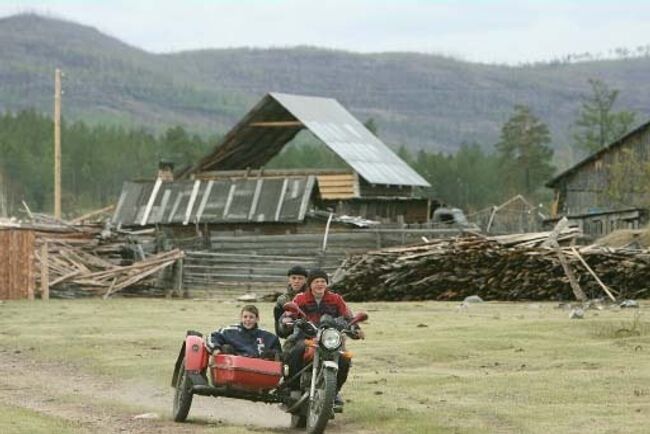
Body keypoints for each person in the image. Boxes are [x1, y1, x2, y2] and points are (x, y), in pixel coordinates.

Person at [279, 269, 363, 407]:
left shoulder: (336, 299)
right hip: (307, 337)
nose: (320, 284)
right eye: (316, 281)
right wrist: (286, 320)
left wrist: (355, 329)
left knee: (344, 359)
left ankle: (334, 391)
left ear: (327, 284)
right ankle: (292, 387)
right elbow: (289, 313)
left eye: (323, 281)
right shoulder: (301, 298)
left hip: (330, 339)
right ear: (310, 284)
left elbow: (348, 316)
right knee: (296, 350)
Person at [207, 305, 281, 359]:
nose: (248, 320)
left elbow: (277, 349)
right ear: (241, 318)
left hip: (257, 367)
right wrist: (215, 348)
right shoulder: (230, 331)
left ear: (257, 319)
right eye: (245, 317)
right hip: (235, 366)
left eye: (251, 317)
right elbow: (212, 336)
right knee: (226, 348)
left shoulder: (266, 336)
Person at [273, 265, 308, 337]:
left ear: (305, 280)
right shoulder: (282, 300)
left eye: (300, 278)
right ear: (289, 280)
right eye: (293, 278)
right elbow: (279, 331)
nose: (296, 281)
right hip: (291, 336)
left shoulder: (311, 297)